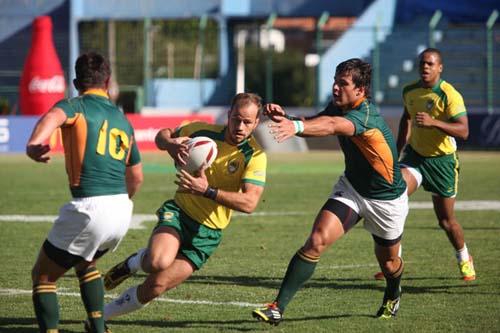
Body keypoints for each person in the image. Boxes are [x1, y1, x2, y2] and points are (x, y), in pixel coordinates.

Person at [252, 58, 408, 325]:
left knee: (390, 265)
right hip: (352, 189)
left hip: (386, 202)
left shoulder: (364, 116)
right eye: (335, 81)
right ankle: (277, 308)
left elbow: (334, 126)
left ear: (360, 91)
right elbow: (316, 122)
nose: (336, 88)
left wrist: (296, 127)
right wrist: (287, 119)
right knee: (316, 240)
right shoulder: (339, 105)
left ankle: (393, 293)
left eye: (343, 84)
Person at [101, 92, 267, 322]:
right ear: (228, 115)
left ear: (256, 122)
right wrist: (169, 145)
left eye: (247, 122)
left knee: (156, 286)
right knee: (158, 261)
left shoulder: (255, 155)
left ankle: (100, 317)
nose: (240, 126)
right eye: (236, 118)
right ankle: (135, 262)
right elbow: (163, 135)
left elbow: (250, 203)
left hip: (208, 235)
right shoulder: (202, 131)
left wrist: (207, 191)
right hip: (179, 213)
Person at [26, 52, 143, 333]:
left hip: (91, 208)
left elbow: (54, 115)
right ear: (108, 81)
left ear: (76, 82)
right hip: (121, 211)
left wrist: (35, 143)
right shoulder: (122, 119)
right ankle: (99, 328)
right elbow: (136, 177)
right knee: (85, 264)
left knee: (42, 276)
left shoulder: (76, 105)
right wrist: (119, 202)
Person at [375, 48, 474, 281]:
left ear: (440, 67)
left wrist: (434, 123)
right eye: (422, 63)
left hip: (442, 162)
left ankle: (464, 258)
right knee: (393, 197)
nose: (425, 67)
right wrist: (396, 151)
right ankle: (393, 262)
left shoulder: (449, 94)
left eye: (430, 64)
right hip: (415, 158)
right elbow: (406, 118)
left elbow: (464, 130)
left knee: (446, 221)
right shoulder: (410, 91)